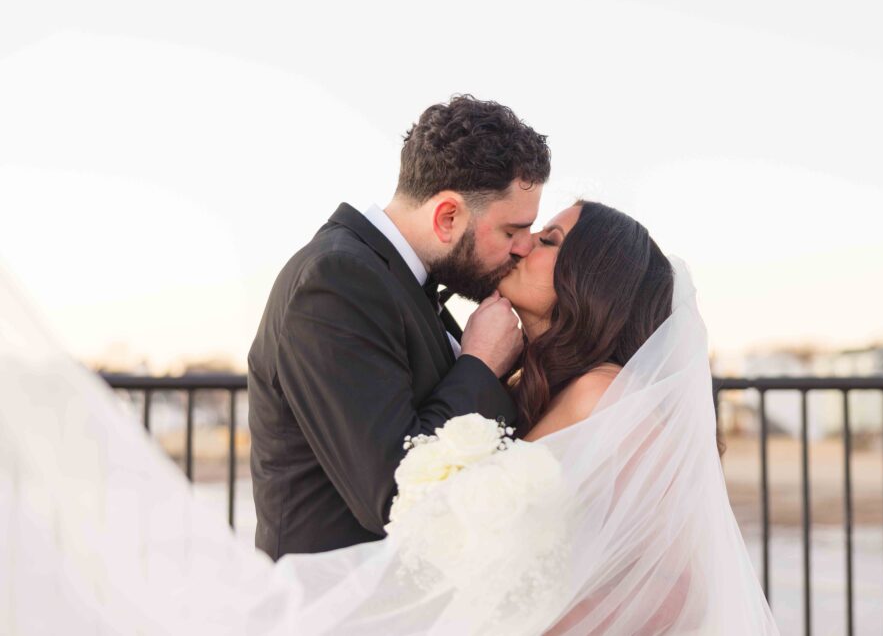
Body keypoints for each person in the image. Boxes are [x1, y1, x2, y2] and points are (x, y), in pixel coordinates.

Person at [0, 201, 777, 634]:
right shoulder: (536, 389)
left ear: (591, 275)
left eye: (547, 240)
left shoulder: (608, 397)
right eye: (525, 231)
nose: (521, 249)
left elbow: (664, 580)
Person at [247, 95, 550, 558]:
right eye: (512, 231)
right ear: (448, 217)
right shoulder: (336, 282)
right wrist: (481, 365)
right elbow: (394, 491)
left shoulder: (397, 279)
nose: (523, 248)